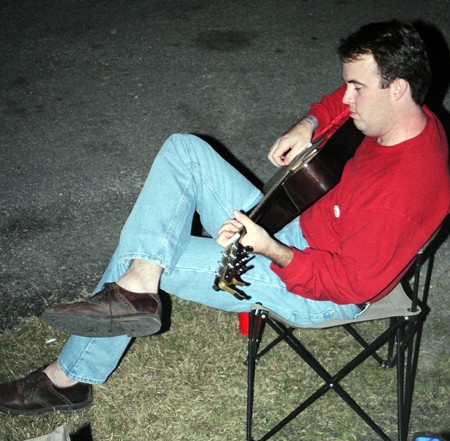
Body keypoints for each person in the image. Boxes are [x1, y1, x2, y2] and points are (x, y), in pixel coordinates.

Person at [1, 20, 449, 415]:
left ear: (397, 88)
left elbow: (350, 286)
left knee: (145, 253)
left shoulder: (403, 190)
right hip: (311, 226)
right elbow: (335, 101)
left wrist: (271, 249)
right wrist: (309, 123)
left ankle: (69, 377)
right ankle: (136, 292)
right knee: (184, 151)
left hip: (317, 288)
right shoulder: (412, 112)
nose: (346, 98)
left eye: (357, 88)